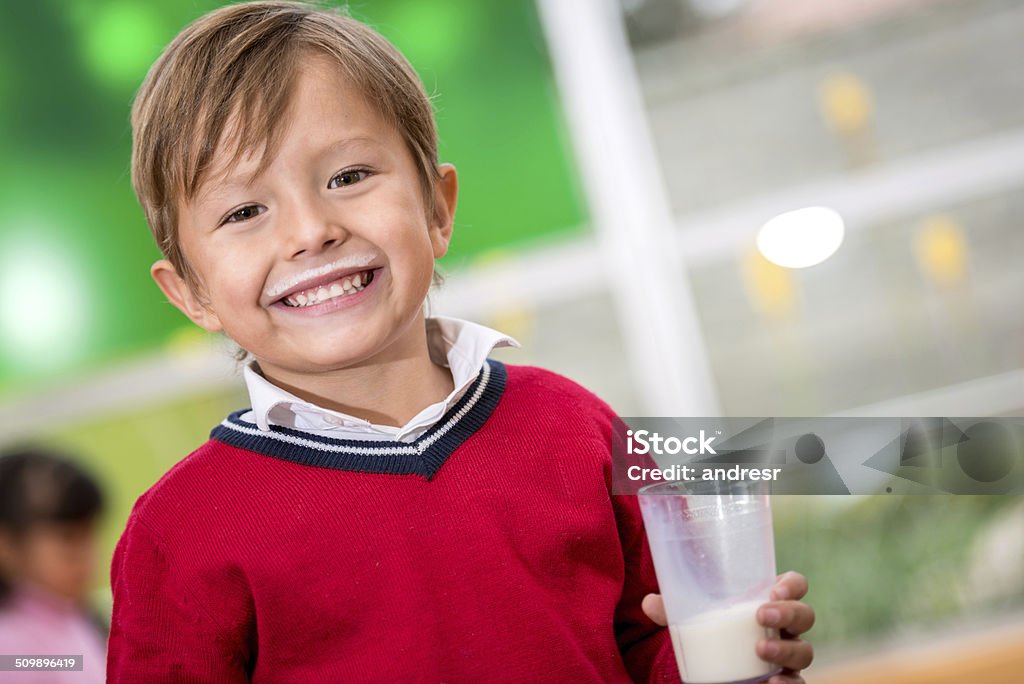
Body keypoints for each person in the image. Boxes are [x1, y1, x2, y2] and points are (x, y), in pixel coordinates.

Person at [107, 2, 815, 682]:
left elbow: (655, 642)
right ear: (190, 291)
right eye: (245, 210)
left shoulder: (577, 428)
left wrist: (739, 663)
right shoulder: (179, 534)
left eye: (348, 176)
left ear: (438, 209)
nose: (310, 230)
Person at [0, 448, 107, 683]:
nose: (88, 556)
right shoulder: (9, 644)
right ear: (6, 545)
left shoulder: (74, 614)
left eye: (90, 536)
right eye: (68, 540)